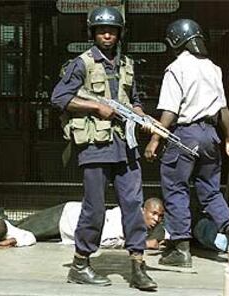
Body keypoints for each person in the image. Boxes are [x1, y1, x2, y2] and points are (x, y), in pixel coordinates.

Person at [50, 6, 157, 290]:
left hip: (126, 145)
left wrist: (139, 115)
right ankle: (81, 264)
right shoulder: (81, 63)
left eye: (111, 30)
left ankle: (137, 265)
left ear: (120, 33)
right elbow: (59, 98)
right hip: (96, 146)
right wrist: (96, 106)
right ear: (92, 33)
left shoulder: (127, 65)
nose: (107, 35)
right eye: (101, 30)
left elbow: (133, 98)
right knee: (94, 207)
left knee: (133, 205)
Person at [145, 19, 229, 268]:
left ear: (175, 41)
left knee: (176, 189)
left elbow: (170, 112)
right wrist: (228, 138)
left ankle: (180, 250)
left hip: (185, 135)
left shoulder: (177, 68)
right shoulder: (213, 68)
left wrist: (154, 139)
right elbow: (223, 109)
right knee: (210, 190)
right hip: (211, 135)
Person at [17, 198, 166, 250]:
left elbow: (165, 234)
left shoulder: (149, 226)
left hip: (69, 230)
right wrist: (143, 245)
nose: (156, 219)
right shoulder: (125, 218)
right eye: (153, 214)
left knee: (26, 235)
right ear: (142, 210)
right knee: (18, 229)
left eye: (160, 216)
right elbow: (104, 241)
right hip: (66, 216)